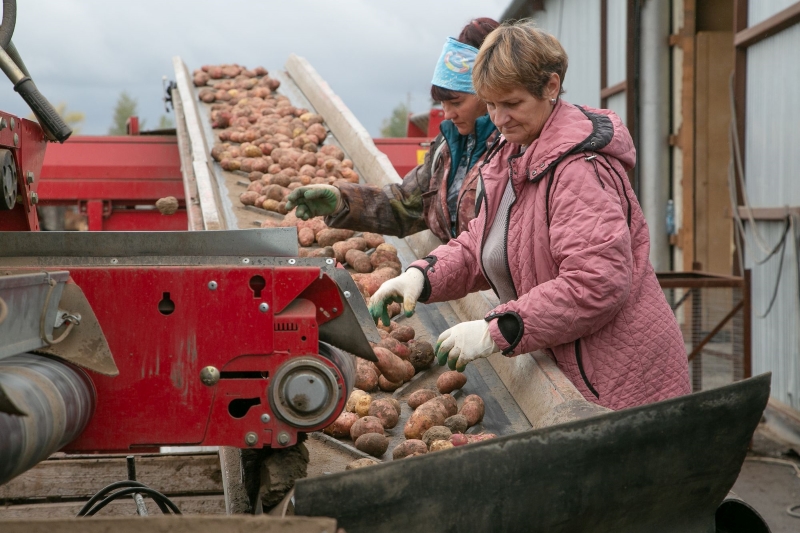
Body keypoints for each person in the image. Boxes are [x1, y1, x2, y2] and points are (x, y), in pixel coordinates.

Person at [368, 20, 691, 411]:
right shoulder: (514, 154)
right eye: (491, 104)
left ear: (551, 87)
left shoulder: (579, 170)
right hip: (572, 367)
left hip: (620, 385)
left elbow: (596, 283)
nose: (500, 119)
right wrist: (421, 275)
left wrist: (500, 328)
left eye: (512, 103)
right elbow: (482, 242)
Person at [285, 18, 500, 243]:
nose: (447, 114)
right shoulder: (446, 148)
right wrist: (342, 201)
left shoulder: (513, 151)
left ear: (489, 93)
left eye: (456, 103)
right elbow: (406, 204)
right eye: (442, 104)